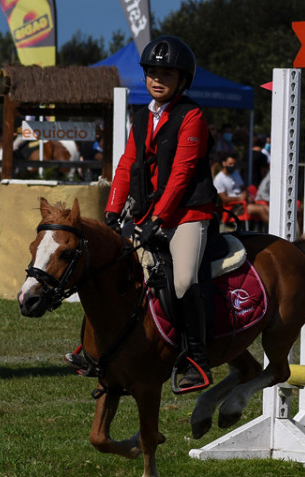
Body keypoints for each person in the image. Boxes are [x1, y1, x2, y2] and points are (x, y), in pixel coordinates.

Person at [74, 35, 217, 392]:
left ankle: (197, 359)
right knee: (109, 269)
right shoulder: (142, 116)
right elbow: (127, 164)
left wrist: (158, 219)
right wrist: (111, 210)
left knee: (182, 280)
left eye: (165, 74)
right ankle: (94, 350)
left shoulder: (192, 116)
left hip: (188, 214)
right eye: (152, 73)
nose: (157, 79)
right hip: (149, 213)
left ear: (182, 81)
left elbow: (181, 174)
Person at [214, 154, 268, 224]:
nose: (232, 166)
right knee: (261, 209)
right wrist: (239, 198)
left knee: (267, 208)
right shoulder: (219, 179)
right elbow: (224, 199)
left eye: (234, 164)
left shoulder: (235, 173)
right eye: (230, 164)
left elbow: (243, 187)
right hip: (233, 207)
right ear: (224, 163)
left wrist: (246, 194)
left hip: (243, 203)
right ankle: (273, 232)